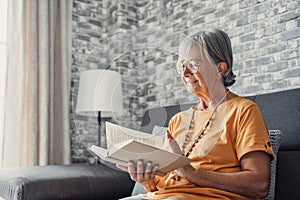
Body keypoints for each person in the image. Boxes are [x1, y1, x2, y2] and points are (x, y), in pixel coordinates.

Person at [117, 29, 274, 200]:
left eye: (193, 65)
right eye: (182, 66)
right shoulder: (177, 120)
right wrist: (146, 179)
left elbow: (258, 185)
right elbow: (160, 184)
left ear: (220, 69)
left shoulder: (243, 111)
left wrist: (192, 173)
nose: (184, 74)